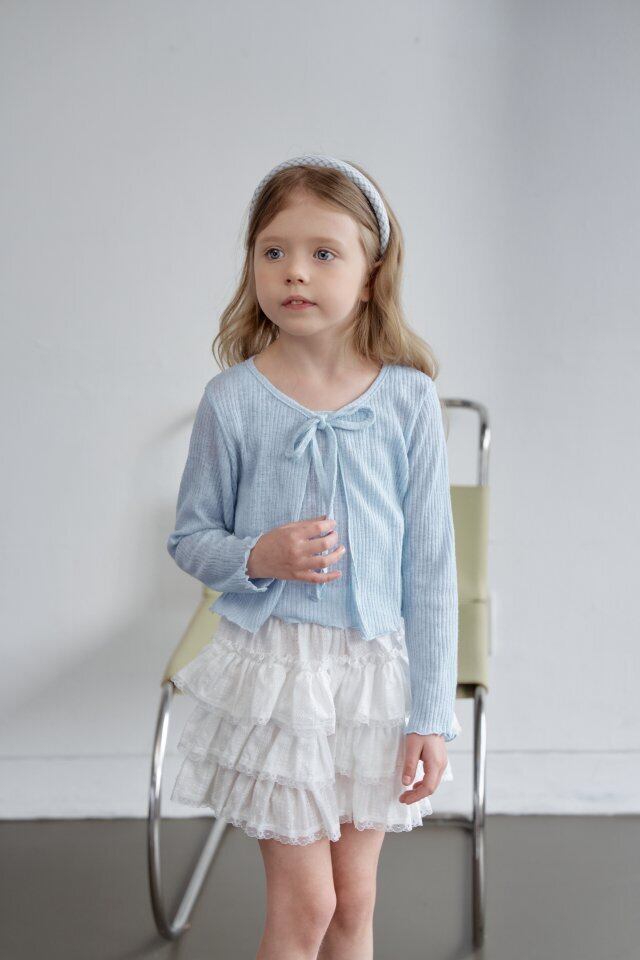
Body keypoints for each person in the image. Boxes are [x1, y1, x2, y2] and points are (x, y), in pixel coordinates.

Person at [166, 155, 462, 959]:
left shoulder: (407, 398)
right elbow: (191, 538)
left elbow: (431, 569)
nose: (294, 271)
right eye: (274, 251)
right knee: (307, 905)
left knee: (353, 905)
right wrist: (257, 554)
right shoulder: (233, 401)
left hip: (374, 679)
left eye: (323, 253)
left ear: (371, 276)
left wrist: (430, 714)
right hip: (279, 676)